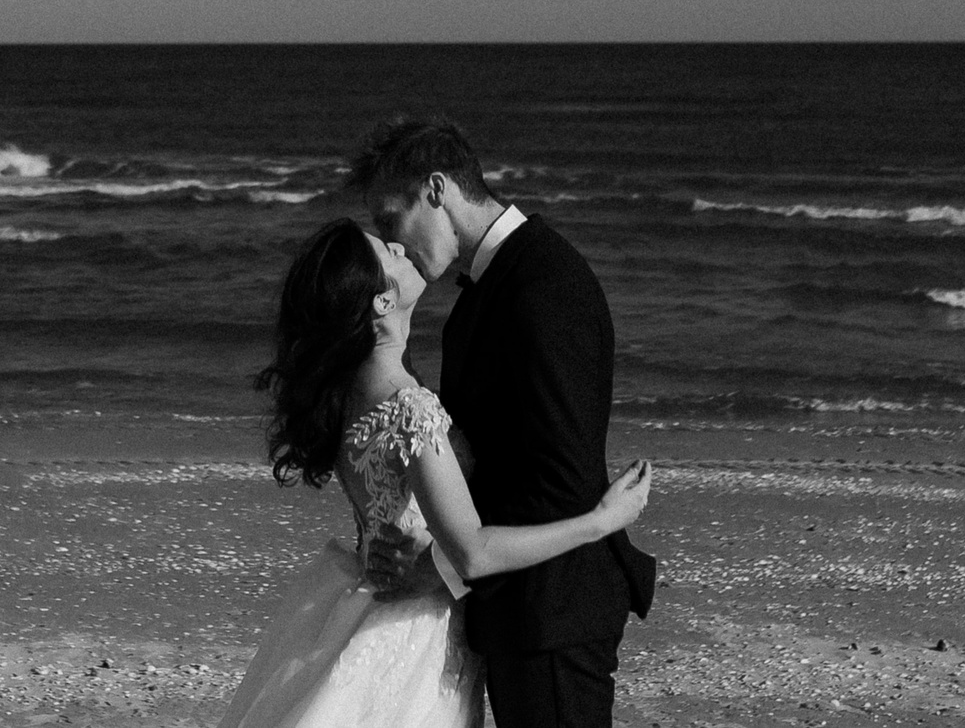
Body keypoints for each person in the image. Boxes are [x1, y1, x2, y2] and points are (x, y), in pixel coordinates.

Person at [218, 217, 651, 728]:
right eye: (390, 254)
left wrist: (375, 547)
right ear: (382, 302)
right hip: (413, 632)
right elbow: (472, 552)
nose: (402, 245)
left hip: (364, 607)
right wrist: (599, 521)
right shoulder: (410, 407)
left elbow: (382, 510)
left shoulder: (345, 394)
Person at [355, 118, 656, 728]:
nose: (393, 245)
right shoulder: (499, 286)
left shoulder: (543, 287)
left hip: (553, 612)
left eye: (391, 220)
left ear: (436, 189)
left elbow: (556, 476)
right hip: (523, 610)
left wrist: (442, 565)